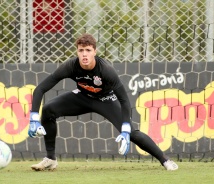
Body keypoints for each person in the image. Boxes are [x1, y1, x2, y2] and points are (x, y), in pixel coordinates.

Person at [28, 33, 178, 171]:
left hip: (105, 100)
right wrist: (34, 116)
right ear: (77, 52)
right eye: (81, 50)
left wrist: (125, 129)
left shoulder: (106, 70)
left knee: (132, 133)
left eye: (88, 50)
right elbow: (40, 88)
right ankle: (50, 159)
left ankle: (165, 160)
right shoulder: (70, 66)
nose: (84, 54)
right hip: (82, 97)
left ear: (95, 51)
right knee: (48, 110)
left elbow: (124, 100)